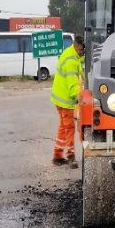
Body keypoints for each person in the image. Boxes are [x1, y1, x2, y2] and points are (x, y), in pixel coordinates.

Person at [50, 35, 84, 169]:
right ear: (77, 46)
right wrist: (80, 99)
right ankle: (70, 157)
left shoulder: (71, 53)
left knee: (63, 127)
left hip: (59, 98)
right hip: (65, 101)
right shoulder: (71, 62)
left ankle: (57, 155)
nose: (82, 53)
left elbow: (81, 61)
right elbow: (72, 86)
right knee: (69, 127)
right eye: (81, 50)